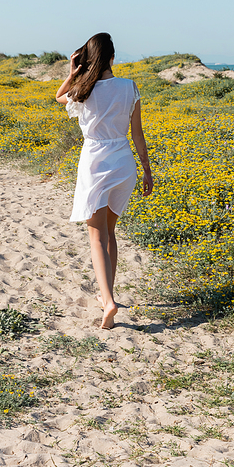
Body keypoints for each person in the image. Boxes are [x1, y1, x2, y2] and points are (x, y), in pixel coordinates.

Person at [56, 32, 153, 329]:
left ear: (88, 59)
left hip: (95, 162)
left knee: (96, 235)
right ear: (113, 57)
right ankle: (105, 293)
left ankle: (108, 302)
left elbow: (58, 97)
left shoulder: (83, 90)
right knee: (109, 232)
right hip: (123, 162)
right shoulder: (129, 87)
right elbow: (137, 133)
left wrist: (72, 73)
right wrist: (147, 170)